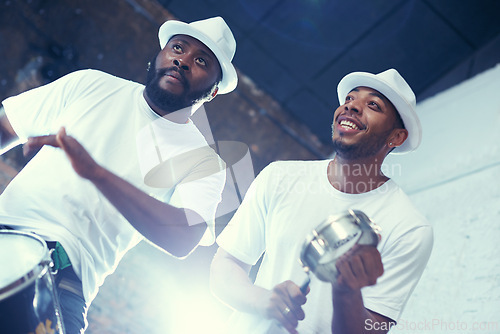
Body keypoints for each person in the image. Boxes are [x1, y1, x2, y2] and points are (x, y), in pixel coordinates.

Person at [0, 16, 237, 333]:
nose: (183, 61)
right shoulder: (90, 85)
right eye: (178, 48)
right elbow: (5, 127)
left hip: (66, 278)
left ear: (213, 92)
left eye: (201, 61)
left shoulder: (203, 162)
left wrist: (94, 172)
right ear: (160, 54)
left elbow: (184, 238)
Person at [210, 69, 434, 334]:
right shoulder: (279, 177)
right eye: (350, 98)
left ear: (396, 137)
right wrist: (263, 300)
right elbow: (226, 266)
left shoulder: (409, 228)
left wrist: (346, 293)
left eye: (373, 105)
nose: (352, 106)